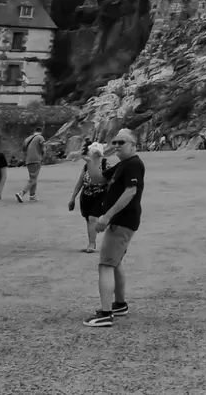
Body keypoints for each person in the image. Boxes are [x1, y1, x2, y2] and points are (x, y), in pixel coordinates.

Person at [84, 129, 146, 327]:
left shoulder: (134, 164)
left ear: (133, 145)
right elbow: (98, 179)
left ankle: (105, 313)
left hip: (122, 220)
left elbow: (130, 192)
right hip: (121, 220)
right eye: (115, 142)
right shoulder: (123, 164)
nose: (117, 145)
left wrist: (106, 217)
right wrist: (91, 160)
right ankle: (119, 304)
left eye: (122, 142)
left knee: (106, 264)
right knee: (115, 261)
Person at [68, 143, 110, 253]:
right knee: (89, 220)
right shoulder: (86, 166)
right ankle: (92, 241)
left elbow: (111, 182)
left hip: (100, 195)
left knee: (93, 218)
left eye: (96, 153)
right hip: (86, 196)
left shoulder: (105, 165)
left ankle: (92, 243)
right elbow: (80, 182)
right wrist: (73, 198)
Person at [15, 125, 46, 203]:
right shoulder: (40, 137)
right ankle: (21, 193)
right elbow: (43, 148)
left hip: (28, 160)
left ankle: (32, 197)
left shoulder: (27, 139)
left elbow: (24, 150)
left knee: (33, 179)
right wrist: (43, 156)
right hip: (36, 159)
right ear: (40, 132)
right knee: (33, 179)